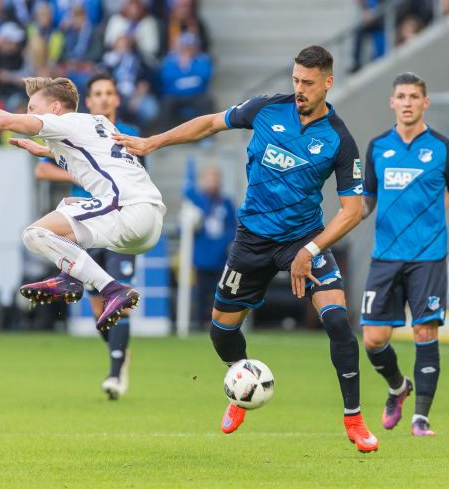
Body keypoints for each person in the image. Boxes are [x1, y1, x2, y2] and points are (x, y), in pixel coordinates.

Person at [114, 46, 379, 453]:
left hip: (302, 240)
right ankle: (240, 381)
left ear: (328, 82)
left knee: (339, 322)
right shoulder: (267, 109)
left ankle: (355, 420)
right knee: (221, 330)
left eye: (308, 83)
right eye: (295, 80)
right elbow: (208, 124)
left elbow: (353, 210)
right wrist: (153, 142)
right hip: (252, 239)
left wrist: (309, 249)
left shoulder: (339, 139)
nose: (299, 89)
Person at [0, 76, 166, 335]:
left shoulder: (63, 122)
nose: (29, 114)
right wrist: (47, 152)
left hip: (129, 209)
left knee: (34, 234)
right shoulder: (98, 123)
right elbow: (93, 155)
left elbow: (5, 120)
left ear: (54, 108)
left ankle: (112, 289)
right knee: (67, 205)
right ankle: (70, 278)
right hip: (147, 221)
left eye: (32, 108)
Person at [360, 72, 449, 437]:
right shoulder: (377, 147)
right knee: (373, 340)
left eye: (415, 96)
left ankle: (421, 417)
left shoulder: (443, 148)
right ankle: (399, 387)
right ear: (392, 102)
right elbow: (366, 200)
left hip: (428, 256)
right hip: (385, 255)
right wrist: (343, 217)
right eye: (402, 96)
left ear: (425, 103)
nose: (408, 102)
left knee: (425, 332)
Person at [33, 73, 143, 399]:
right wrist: (80, 169)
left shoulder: (128, 134)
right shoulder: (73, 130)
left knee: (117, 299)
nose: (105, 98)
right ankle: (120, 354)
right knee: (99, 310)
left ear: (117, 99)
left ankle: (114, 373)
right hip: (85, 225)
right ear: (89, 101)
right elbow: (41, 169)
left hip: (119, 222)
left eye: (110, 92)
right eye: (98, 93)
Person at [183, 164, 237, 329]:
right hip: (202, 256)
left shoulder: (226, 202)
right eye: (209, 178)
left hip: (221, 256)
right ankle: (199, 324)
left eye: (215, 178)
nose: (212, 182)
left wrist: (226, 244)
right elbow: (186, 226)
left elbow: (233, 228)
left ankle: (218, 324)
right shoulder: (196, 200)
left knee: (220, 292)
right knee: (201, 292)